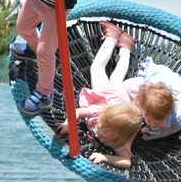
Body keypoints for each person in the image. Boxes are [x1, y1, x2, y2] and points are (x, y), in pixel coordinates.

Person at [57, 21, 141, 168]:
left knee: (117, 77)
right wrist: (67, 124)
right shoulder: (100, 112)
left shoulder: (120, 142)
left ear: (117, 136)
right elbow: (77, 112)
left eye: (103, 130)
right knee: (97, 68)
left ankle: (126, 47)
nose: (99, 128)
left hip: (121, 104)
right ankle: (113, 38)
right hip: (110, 97)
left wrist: (106, 157)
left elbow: (126, 162)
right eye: (101, 125)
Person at [123, 60, 181, 170]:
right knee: (136, 89)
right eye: (147, 118)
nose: (150, 123)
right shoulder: (145, 98)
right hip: (162, 81)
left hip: (180, 87)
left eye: (156, 123)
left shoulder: (178, 117)